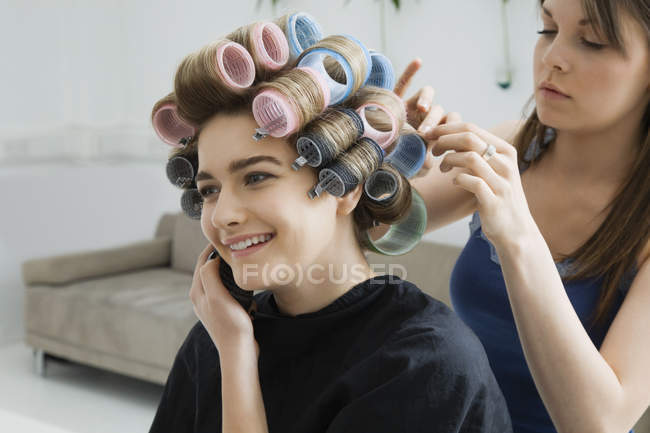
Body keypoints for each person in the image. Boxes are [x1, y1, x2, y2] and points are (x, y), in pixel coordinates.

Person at [147, 15, 513, 433]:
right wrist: (230, 349)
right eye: (210, 189)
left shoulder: (423, 362)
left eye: (256, 177)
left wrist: (238, 362)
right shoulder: (215, 336)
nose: (223, 214)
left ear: (344, 188)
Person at [394, 0, 650, 432]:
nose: (552, 58)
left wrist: (516, 236)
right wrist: (383, 154)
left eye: (592, 41)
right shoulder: (513, 149)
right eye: (547, 29)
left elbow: (600, 424)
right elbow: (370, 232)